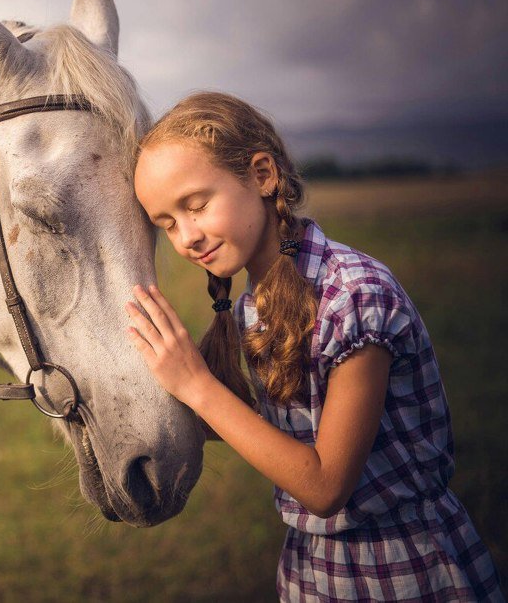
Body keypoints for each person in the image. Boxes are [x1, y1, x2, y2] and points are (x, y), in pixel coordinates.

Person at [125, 91, 502, 602]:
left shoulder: (354, 295)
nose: (186, 236)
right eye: (166, 224)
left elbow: (325, 486)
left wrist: (198, 386)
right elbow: (265, 436)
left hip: (406, 570)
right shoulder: (252, 309)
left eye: (196, 206)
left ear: (262, 175)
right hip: (312, 573)